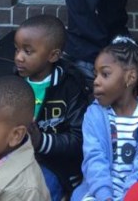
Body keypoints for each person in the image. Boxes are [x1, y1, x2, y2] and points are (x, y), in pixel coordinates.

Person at [71, 37, 138, 201]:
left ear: (130, 77)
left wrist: (129, 197)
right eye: (95, 74)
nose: (96, 82)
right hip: (99, 192)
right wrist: (106, 196)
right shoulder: (94, 114)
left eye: (105, 74)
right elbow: (94, 159)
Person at [14, 14, 89, 199]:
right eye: (16, 50)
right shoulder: (14, 83)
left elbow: (78, 139)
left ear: (53, 55)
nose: (19, 58)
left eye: (28, 51)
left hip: (55, 165)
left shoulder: (70, 87)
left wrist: (40, 141)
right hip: (15, 158)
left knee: (41, 190)